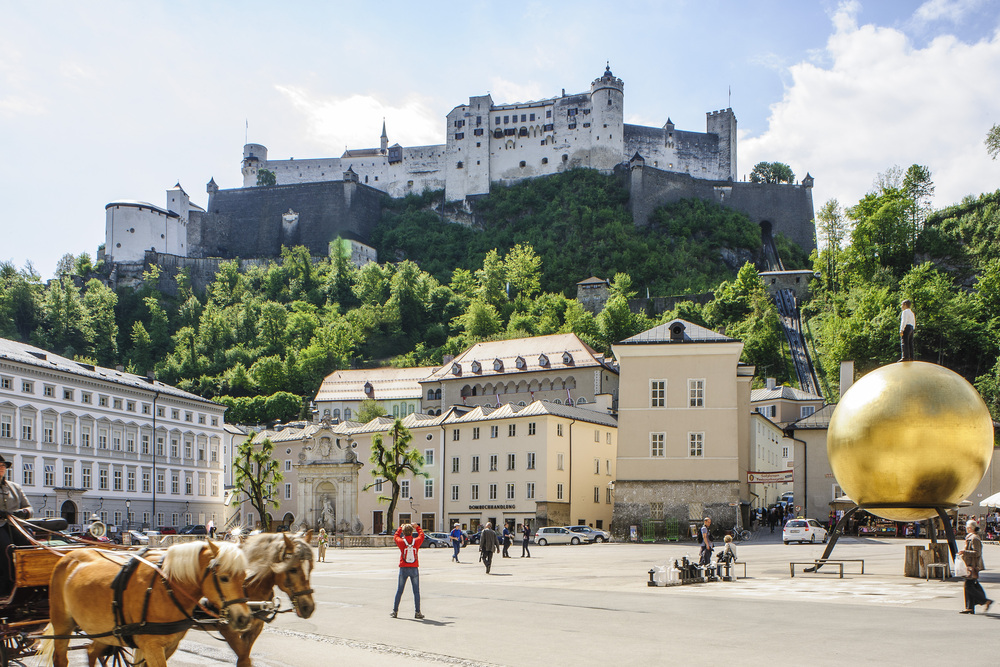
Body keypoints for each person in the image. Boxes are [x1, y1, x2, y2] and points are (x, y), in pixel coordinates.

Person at [0, 454, 33, 596]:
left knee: (29, 544)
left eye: (3, 466)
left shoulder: (15, 487)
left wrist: (22, 512)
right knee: (7, 548)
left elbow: (29, 508)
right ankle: (6, 584)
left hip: (15, 525)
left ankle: (29, 582)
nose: (1, 469)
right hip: (0, 526)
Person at [959, 519, 993, 615]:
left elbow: (977, 553)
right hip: (969, 565)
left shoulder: (974, 538)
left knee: (968, 585)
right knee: (971, 585)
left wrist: (964, 552)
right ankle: (969, 607)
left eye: (967, 526)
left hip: (973, 566)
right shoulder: (970, 537)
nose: (966, 528)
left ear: (970, 528)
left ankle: (984, 601)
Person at [391, 523, 424, 619]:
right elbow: (422, 535)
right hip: (414, 567)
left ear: (403, 532)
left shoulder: (401, 542)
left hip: (403, 567)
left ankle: (395, 611)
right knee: (416, 591)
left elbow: (396, 536)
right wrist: (417, 527)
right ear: (412, 532)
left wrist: (400, 528)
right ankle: (417, 612)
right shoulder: (416, 541)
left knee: (399, 590)